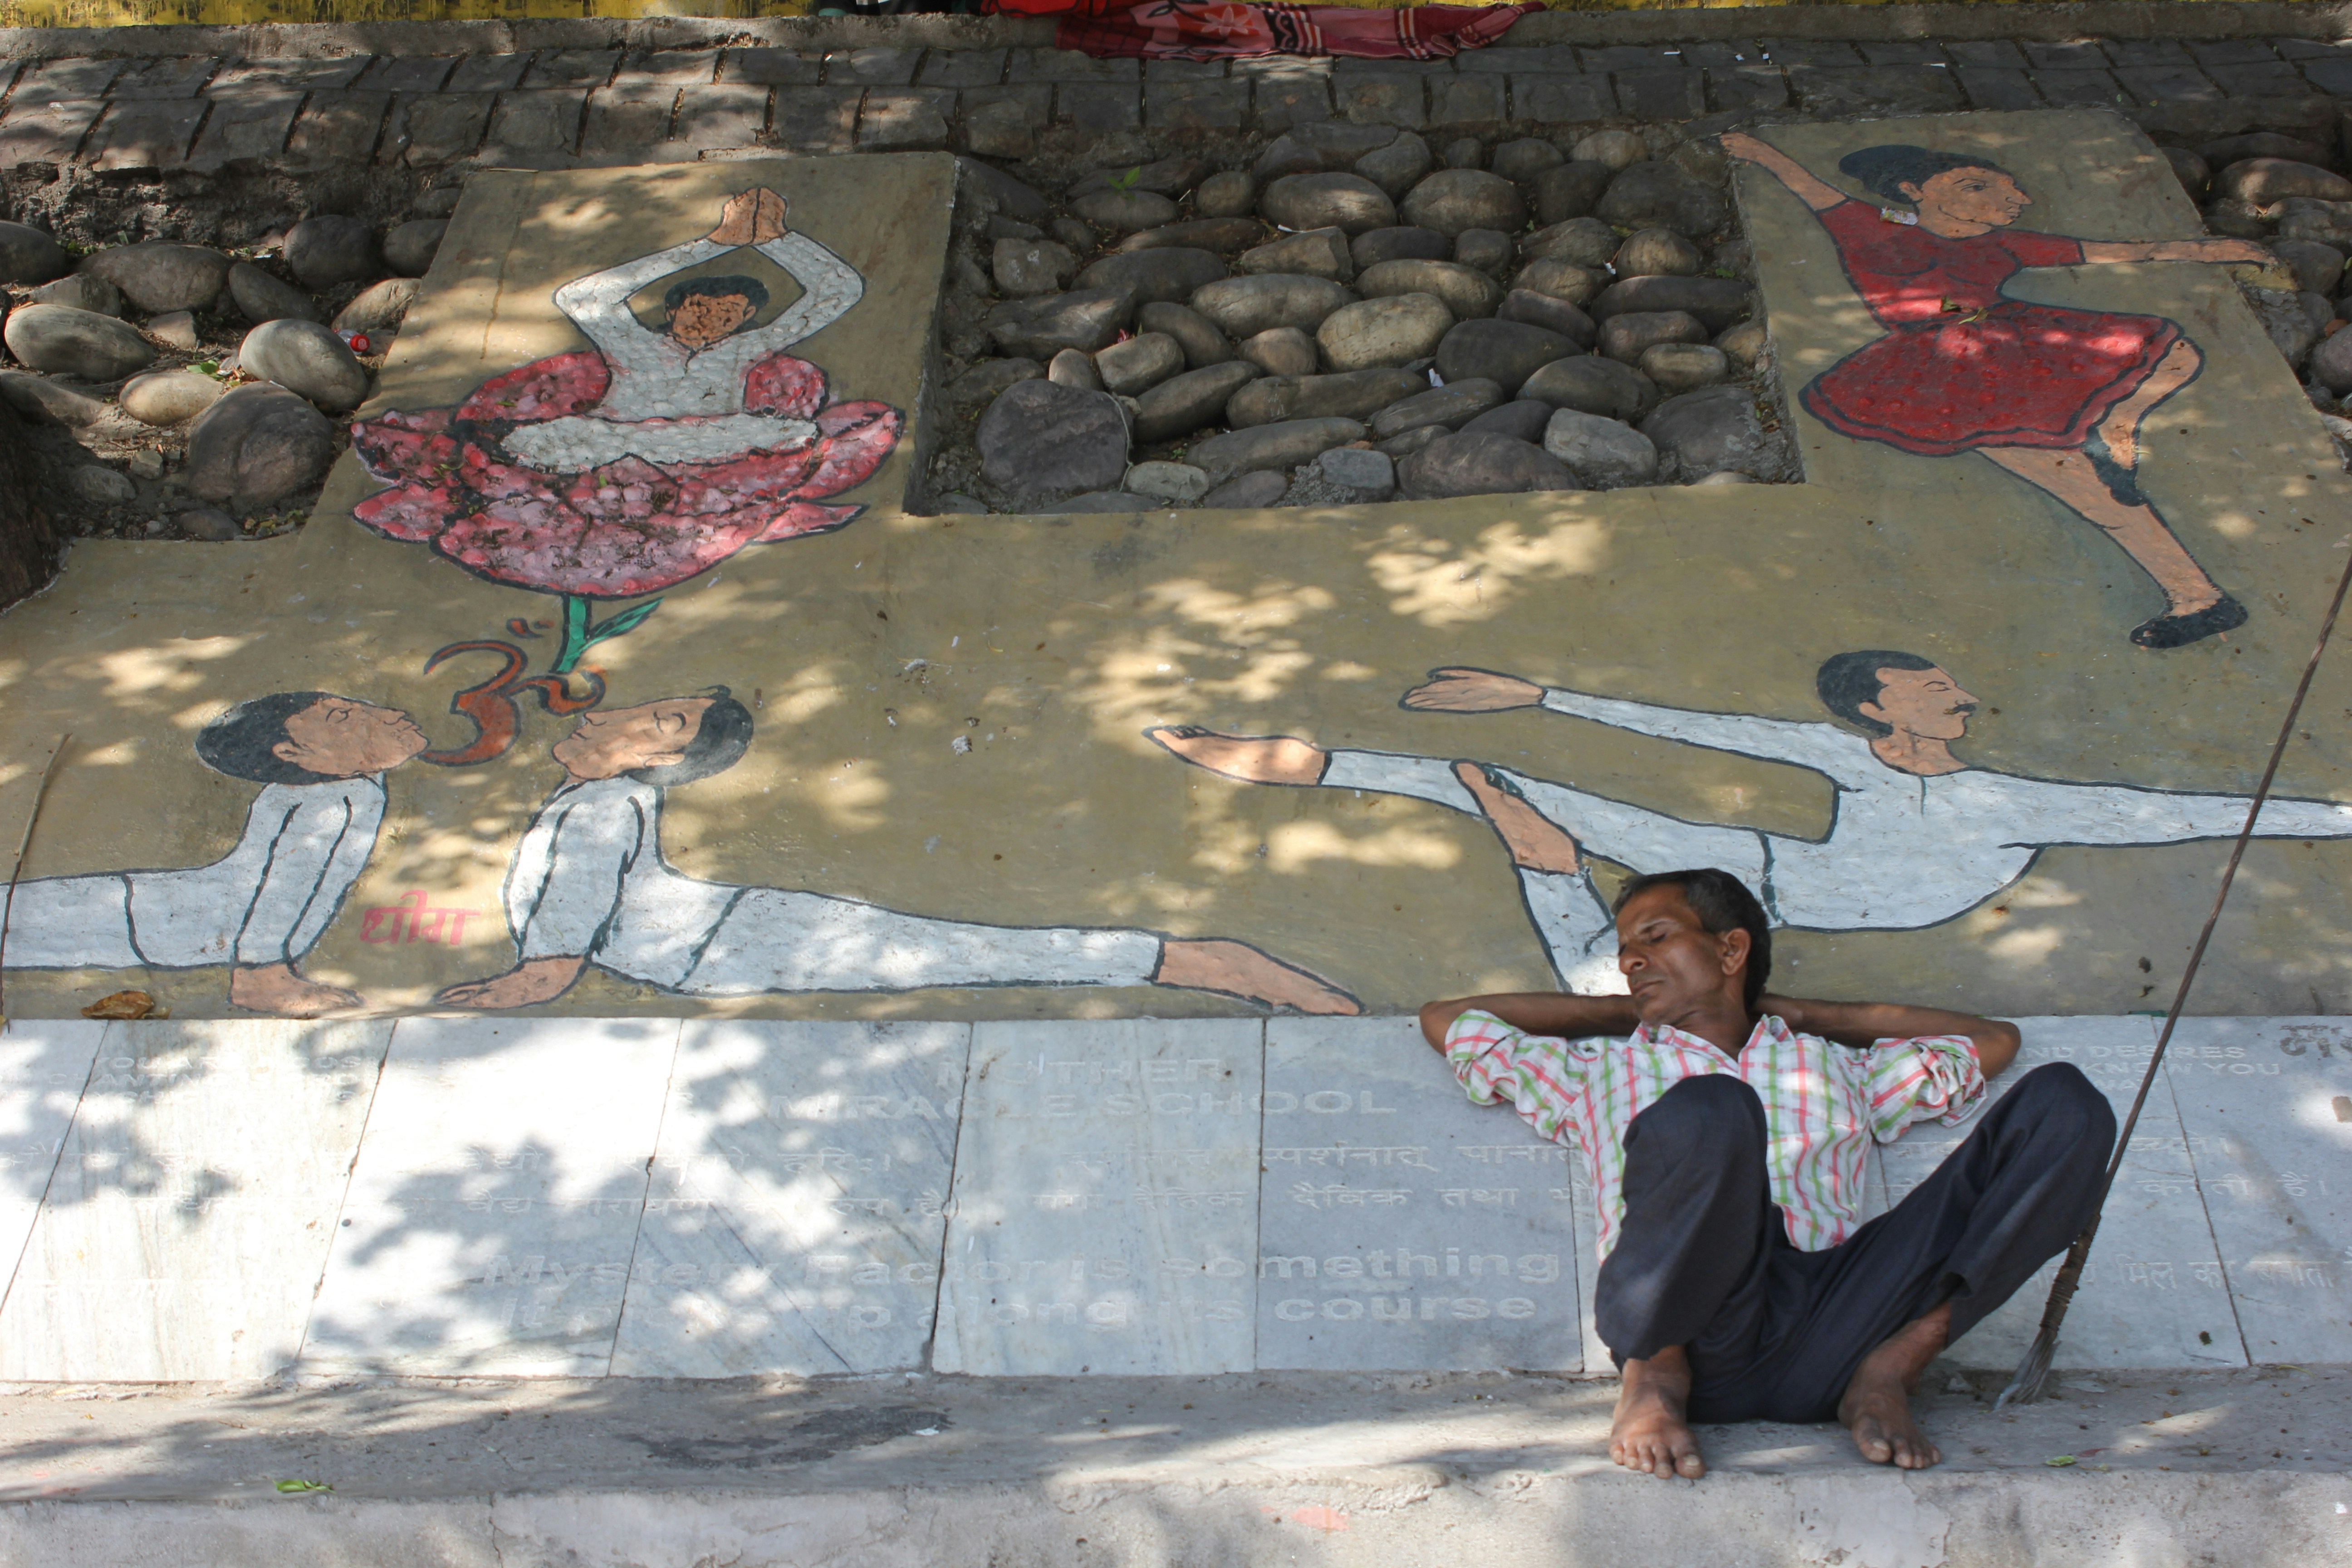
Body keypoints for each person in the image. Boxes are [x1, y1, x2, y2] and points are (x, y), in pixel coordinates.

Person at [1418, 867, 2112, 1477]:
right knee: (1712, 1108)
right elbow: (1449, 1019)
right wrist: (1631, 1010)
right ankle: (1653, 1378)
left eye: (1655, 939)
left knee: (2065, 1104)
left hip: (1842, 1319)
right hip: (1697, 1333)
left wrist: (1803, 1013)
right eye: (1627, 953)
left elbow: (1992, 1041)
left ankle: (1892, 1369)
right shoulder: (1597, 1068)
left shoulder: (1835, 1066)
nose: (1633, 961)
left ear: (1731, 949)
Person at [1149, 652, 2352, 992]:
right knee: (1485, 769)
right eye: (1936, 687)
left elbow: (2172, 809)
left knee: (1512, 803)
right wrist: (1544, 692)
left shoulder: (2005, 798)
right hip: (1772, 870)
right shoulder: (1844, 748)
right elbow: (1708, 728)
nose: (1964, 696)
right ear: (1879, 704)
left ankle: (1514, 840)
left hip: (1817, 895)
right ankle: (1284, 762)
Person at [437, 689, 1359, 1014]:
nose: (629, 714)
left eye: (661, 719)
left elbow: (560, 945)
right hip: (726, 942)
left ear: (664, 757)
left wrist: (510, 988)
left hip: (734, 942)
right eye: (653, 707)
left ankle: (1207, 962)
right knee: (984, 956)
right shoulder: (592, 801)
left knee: (991, 957)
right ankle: (1197, 962)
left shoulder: (598, 810)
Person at [1720, 133, 2270, 650]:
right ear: (1915, 191)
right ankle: (2199, 598)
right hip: (1948, 369)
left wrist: (2211, 251)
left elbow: (2119, 251)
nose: (2014, 198)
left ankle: (2120, 431)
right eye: (1978, 186)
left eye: (2010, 189)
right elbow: (1825, 201)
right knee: (2086, 487)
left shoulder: (2006, 241)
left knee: (2174, 350)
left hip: (2015, 336)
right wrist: (1757, 151)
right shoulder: (1879, 219)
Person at [1, 693, 429, 1015]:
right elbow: (278, 889)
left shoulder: (348, 789)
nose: (387, 714)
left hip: (158, 915)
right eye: (345, 718)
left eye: (362, 708)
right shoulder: (330, 802)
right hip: (154, 922)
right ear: (293, 755)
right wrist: (262, 975)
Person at [501, 186, 866, 475]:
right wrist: (712, 245)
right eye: (699, 308)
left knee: (790, 437)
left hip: (708, 439)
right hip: (618, 436)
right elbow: (579, 296)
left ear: (748, 317)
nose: (710, 320)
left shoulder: (745, 348)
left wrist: (778, 240)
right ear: (672, 309)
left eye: (728, 313)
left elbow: (839, 291)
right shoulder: (633, 343)